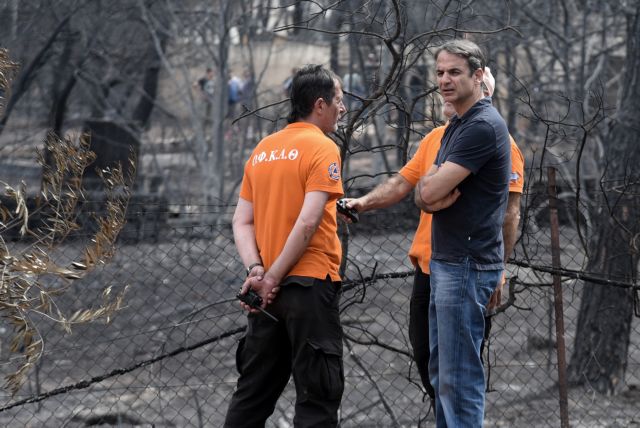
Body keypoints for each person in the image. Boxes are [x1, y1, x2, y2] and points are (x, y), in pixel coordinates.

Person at [342, 67, 524, 410]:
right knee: (426, 357)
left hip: (468, 269)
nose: (447, 91)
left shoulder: (501, 143)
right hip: (428, 268)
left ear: (480, 92)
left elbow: (509, 214)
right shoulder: (435, 138)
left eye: (458, 82)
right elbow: (401, 182)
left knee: (460, 369)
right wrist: (363, 202)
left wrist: (498, 270)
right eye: (444, 83)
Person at [225, 64, 347, 428]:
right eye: (339, 100)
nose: (342, 109)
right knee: (317, 398)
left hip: (266, 296)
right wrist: (273, 277)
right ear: (320, 105)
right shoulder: (323, 148)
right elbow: (308, 222)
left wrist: (257, 272)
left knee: (251, 395)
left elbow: (241, 221)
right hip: (308, 286)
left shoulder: (263, 149)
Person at [415, 39, 510, 427]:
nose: (444, 80)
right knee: (444, 375)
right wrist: (429, 190)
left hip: (466, 265)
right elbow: (424, 194)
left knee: (458, 378)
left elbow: (429, 192)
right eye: (439, 72)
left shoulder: (482, 126)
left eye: (454, 72)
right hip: (449, 262)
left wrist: (430, 190)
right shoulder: (457, 124)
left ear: (478, 75)